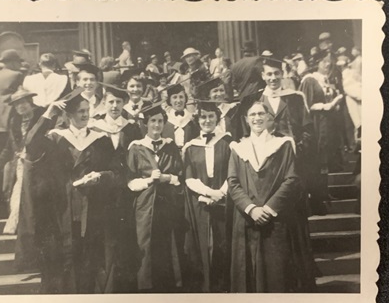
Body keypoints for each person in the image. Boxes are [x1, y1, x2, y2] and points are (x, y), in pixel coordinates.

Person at [25, 91, 121, 294]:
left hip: (92, 210)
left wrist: (101, 176)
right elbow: (31, 145)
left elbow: (117, 172)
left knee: (89, 262)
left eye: (87, 110)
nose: (85, 115)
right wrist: (48, 113)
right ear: (68, 115)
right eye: (80, 111)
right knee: (65, 261)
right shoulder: (55, 138)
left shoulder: (100, 139)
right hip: (63, 210)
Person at [227, 101, 316, 293]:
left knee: (278, 273)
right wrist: (252, 209)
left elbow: (291, 179)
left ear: (269, 117)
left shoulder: (282, 145)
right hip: (247, 219)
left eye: (261, 113)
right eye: (253, 115)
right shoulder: (237, 149)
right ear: (246, 119)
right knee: (248, 273)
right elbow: (233, 183)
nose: (257, 118)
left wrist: (267, 209)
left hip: (275, 218)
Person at [89, 84, 143, 292]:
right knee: (105, 238)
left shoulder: (131, 128)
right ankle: (106, 286)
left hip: (126, 190)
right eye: (110, 101)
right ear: (104, 103)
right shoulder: (95, 128)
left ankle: (125, 286)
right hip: (102, 192)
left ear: (124, 104)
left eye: (118, 102)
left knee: (126, 238)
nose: (114, 106)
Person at [126, 103, 184, 293]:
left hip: (168, 204)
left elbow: (180, 175)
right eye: (153, 121)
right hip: (145, 204)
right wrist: (149, 180)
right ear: (146, 124)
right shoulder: (136, 148)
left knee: (168, 243)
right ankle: (146, 287)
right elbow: (129, 180)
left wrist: (169, 178)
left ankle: (168, 285)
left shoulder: (171, 146)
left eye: (160, 121)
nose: (157, 125)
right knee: (146, 242)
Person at [0, 88, 44, 271]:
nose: (21, 107)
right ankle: (27, 260)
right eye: (17, 104)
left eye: (23, 102)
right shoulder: (15, 122)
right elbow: (8, 149)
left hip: (39, 171)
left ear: (30, 101)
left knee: (33, 214)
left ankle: (35, 259)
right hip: (19, 171)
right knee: (20, 211)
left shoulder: (42, 118)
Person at [182, 101, 233, 293]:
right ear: (197, 120)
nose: (207, 120)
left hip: (225, 200)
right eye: (203, 117)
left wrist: (220, 193)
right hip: (200, 202)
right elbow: (188, 178)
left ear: (217, 118)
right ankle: (205, 288)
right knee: (203, 244)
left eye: (211, 116)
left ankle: (223, 286)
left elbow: (233, 173)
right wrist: (210, 193)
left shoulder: (228, 142)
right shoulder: (190, 147)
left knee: (223, 242)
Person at [299, 50, 344, 214]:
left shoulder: (328, 80)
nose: (328, 64)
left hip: (328, 125)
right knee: (315, 159)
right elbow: (305, 105)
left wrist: (335, 104)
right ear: (316, 62)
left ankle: (324, 192)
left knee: (325, 159)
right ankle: (316, 196)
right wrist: (329, 105)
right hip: (315, 125)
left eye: (330, 61)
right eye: (325, 61)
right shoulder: (309, 80)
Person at [161, 84, 199, 150]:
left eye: (181, 97)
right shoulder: (164, 120)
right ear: (169, 100)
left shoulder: (192, 119)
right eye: (174, 97)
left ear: (185, 99)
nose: (178, 101)